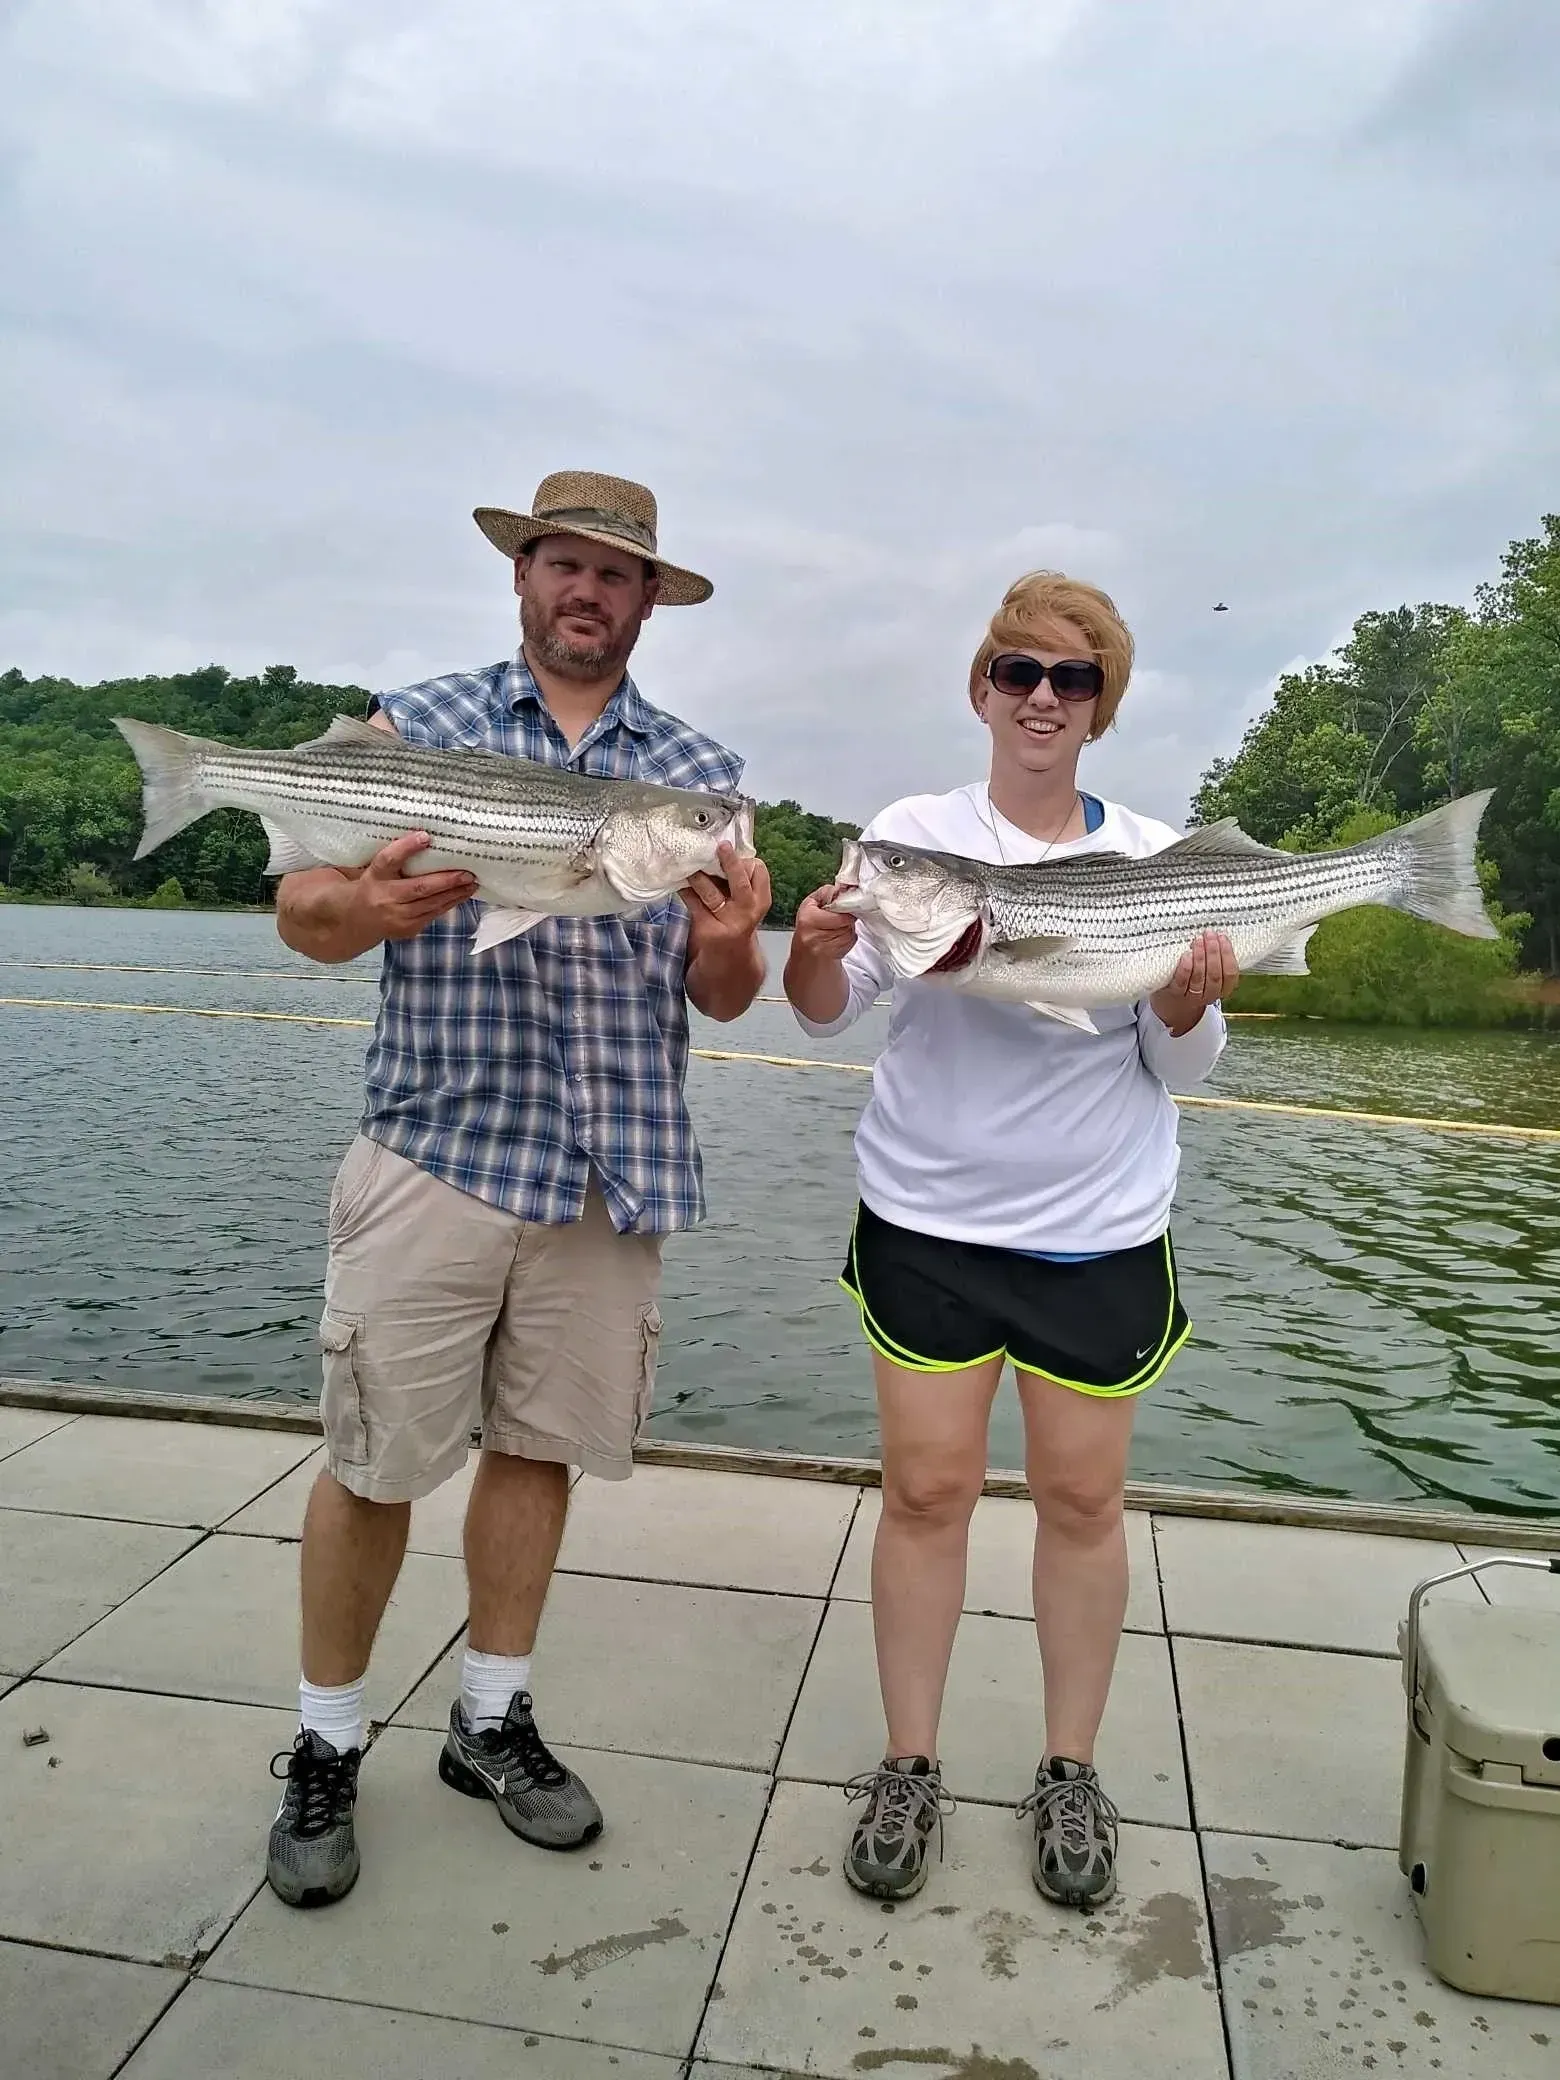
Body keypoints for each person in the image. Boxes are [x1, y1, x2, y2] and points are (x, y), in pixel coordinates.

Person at [264, 470, 770, 1907]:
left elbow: (724, 992)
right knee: (371, 1461)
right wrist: (359, 908)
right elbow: (303, 916)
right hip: (436, 1148)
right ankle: (326, 1741)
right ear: (522, 576)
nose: (587, 594)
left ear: (649, 602)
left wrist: (732, 928)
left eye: (618, 576)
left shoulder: (693, 773)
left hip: (610, 1171)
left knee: (539, 1452)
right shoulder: (406, 729)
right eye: (565, 565)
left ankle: (490, 1720)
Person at [783, 570, 1237, 1909]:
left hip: (1096, 1231)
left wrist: (1193, 992)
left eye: (1074, 680)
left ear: (1102, 707)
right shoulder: (910, 842)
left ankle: (1068, 1768)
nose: (1044, 698)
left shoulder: (1153, 860)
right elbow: (821, 1008)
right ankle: (910, 1762)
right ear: (982, 689)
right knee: (925, 1495)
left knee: (1085, 1504)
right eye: (1021, 673)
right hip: (927, 1221)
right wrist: (811, 941)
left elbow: (1187, 1071)